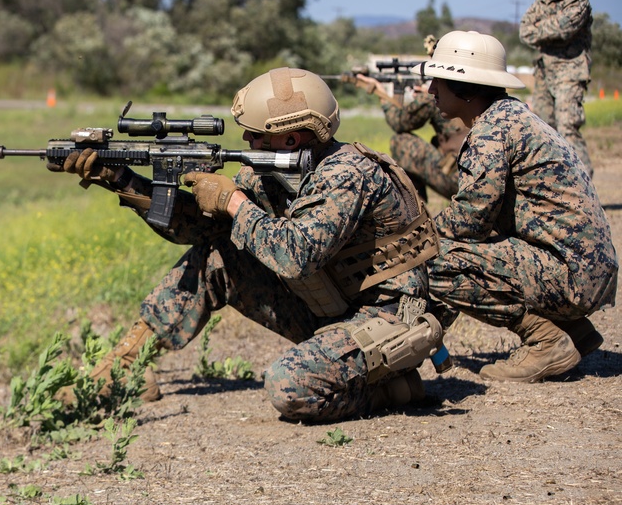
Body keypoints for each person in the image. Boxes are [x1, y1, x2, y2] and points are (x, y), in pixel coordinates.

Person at [49, 68, 445, 422]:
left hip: (385, 317)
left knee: (291, 386)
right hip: (330, 303)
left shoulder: (347, 174)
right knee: (217, 256)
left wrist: (234, 202)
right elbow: (200, 230)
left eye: (255, 135)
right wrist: (123, 180)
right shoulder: (272, 171)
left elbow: (296, 256)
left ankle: (391, 388)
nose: (246, 140)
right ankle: (125, 366)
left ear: (290, 138)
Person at [412, 30, 617, 383]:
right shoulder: (511, 116)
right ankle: (573, 331)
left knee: (432, 257)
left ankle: (546, 341)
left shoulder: (491, 130)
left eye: (438, 81)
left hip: (571, 275)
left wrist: (415, 237)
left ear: (465, 87)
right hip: (582, 270)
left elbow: (471, 218)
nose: (431, 90)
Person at [354, 35, 468, 202]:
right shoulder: (475, 88)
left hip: (457, 178)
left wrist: (381, 94)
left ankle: (416, 208)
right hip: (474, 175)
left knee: (401, 142)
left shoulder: (432, 97)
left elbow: (399, 122)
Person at [519, 0, 594, 177]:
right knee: (543, 130)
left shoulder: (578, 0)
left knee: (567, 127)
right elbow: (524, 31)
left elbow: (565, 29)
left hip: (570, 72)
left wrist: (541, 28)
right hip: (544, 73)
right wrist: (549, 28)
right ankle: (553, 182)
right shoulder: (541, 1)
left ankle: (583, 182)